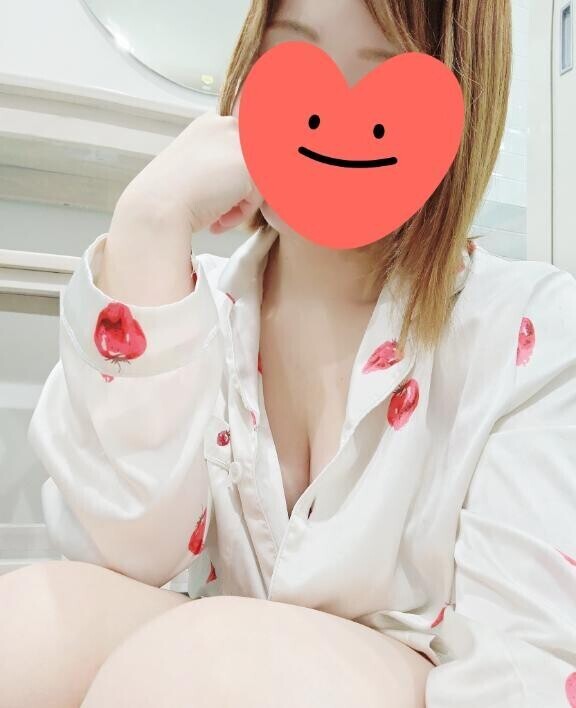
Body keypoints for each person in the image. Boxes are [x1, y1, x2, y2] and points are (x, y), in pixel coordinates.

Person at [2, 0, 575, 706]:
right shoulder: (192, 311)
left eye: (386, 77)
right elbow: (121, 555)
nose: (334, 113)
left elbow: (528, 668)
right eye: (292, 55)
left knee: (186, 669)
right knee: (25, 631)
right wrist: (149, 222)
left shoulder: (529, 330)